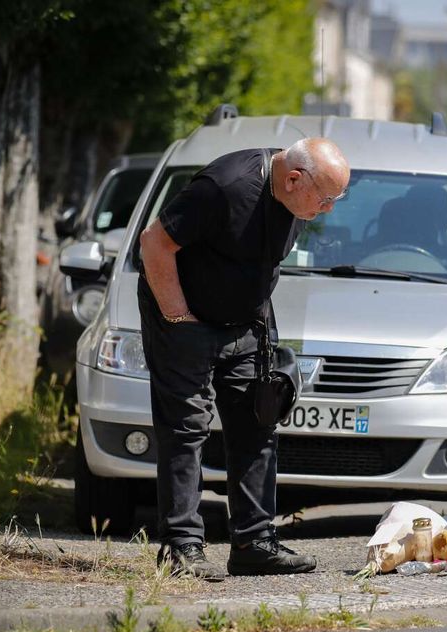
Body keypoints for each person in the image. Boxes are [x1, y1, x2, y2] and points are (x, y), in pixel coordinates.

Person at [137, 138, 350, 580]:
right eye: (326, 198)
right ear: (293, 179)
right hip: (186, 319)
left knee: (257, 422)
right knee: (185, 429)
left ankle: (254, 542)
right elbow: (154, 243)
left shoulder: (296, 199)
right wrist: (179, 318)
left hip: (246, 324)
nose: (328, 209)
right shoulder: (225, 186)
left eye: (336, 199)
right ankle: (181, 548)